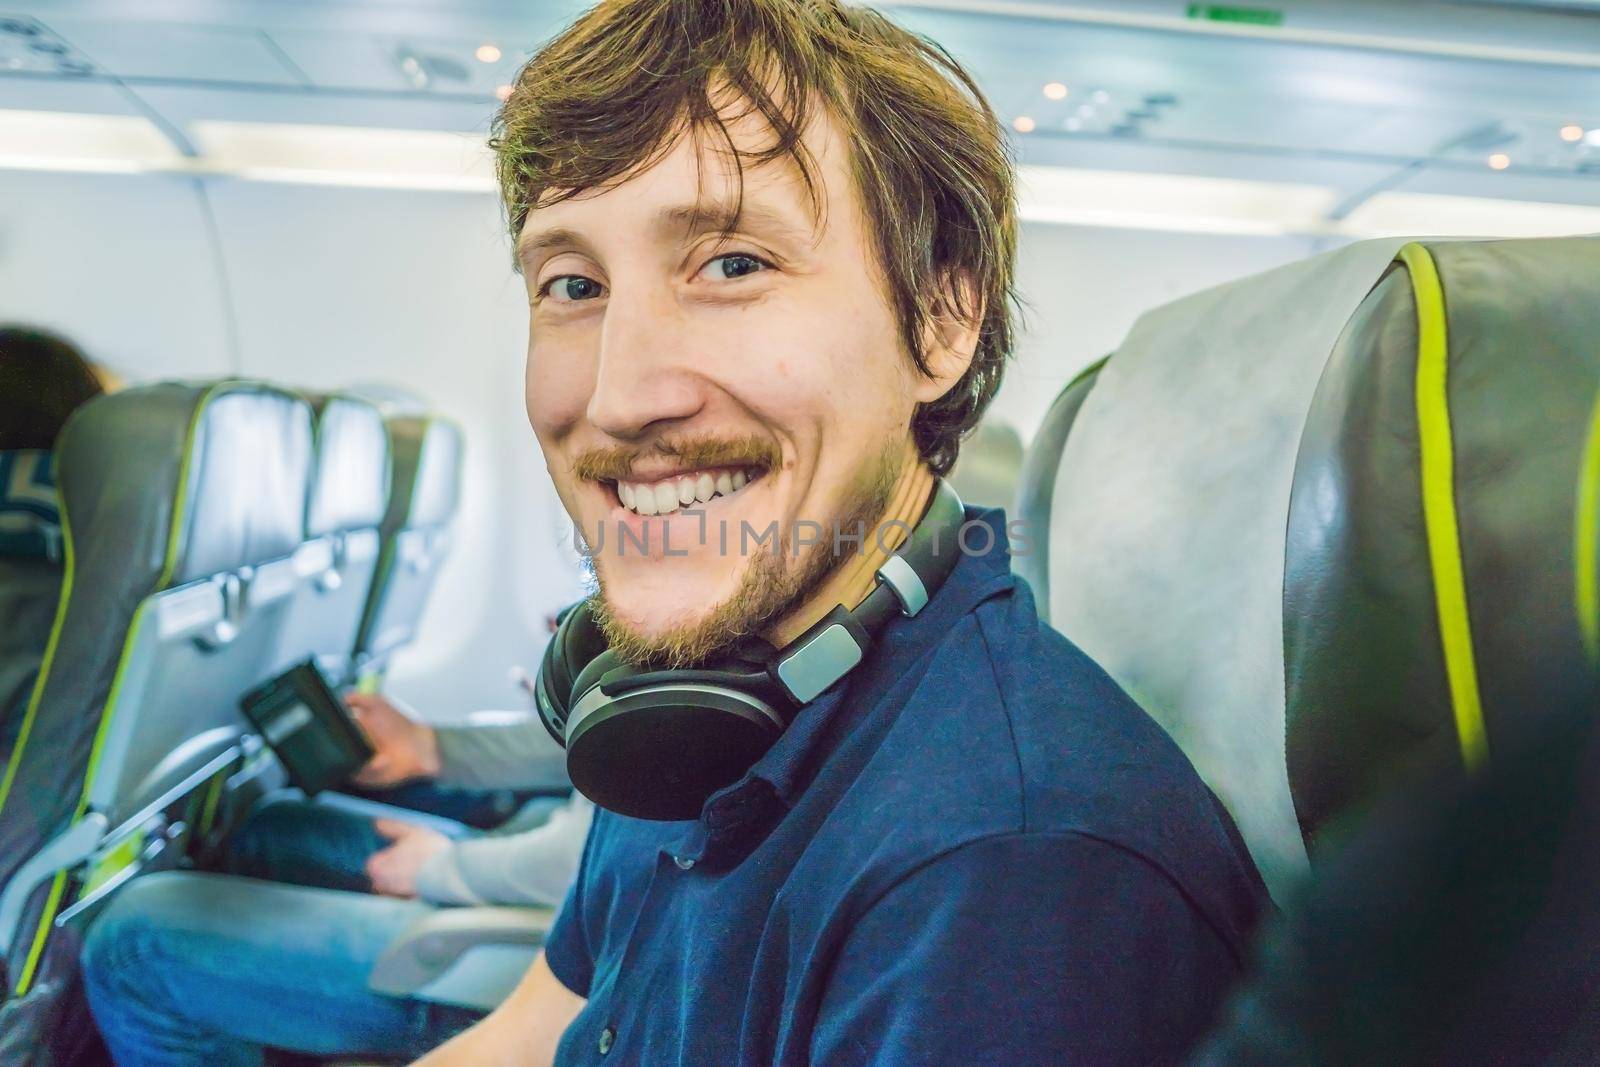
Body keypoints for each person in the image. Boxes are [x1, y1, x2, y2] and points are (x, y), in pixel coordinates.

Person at [415, 1, 1268, 1063]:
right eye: (573, 285)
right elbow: (534, 1030)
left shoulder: (1010, 868)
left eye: (731, 264)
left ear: (941, 321)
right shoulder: (675, 694)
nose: (619, 393)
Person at [80, 691, 593, 1064]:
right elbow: (587, 747)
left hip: (538, 950)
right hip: (549, 885)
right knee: (272, 831)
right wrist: (433, 747)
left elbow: (577, 865)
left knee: (135, 944)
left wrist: (439, 869)